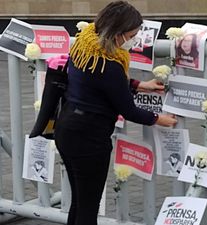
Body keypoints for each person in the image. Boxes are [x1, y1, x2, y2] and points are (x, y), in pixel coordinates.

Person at [54, 2, 177, 225]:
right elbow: (127, 109)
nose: (134, 39)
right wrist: (160, 119)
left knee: (80, 203)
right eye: (132, 35)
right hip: (89, 139)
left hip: (67, 129)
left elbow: (100, 83)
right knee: (88, 209)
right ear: (117, 33)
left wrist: (140, 85)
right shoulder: (109, 64)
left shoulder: (85, 44)